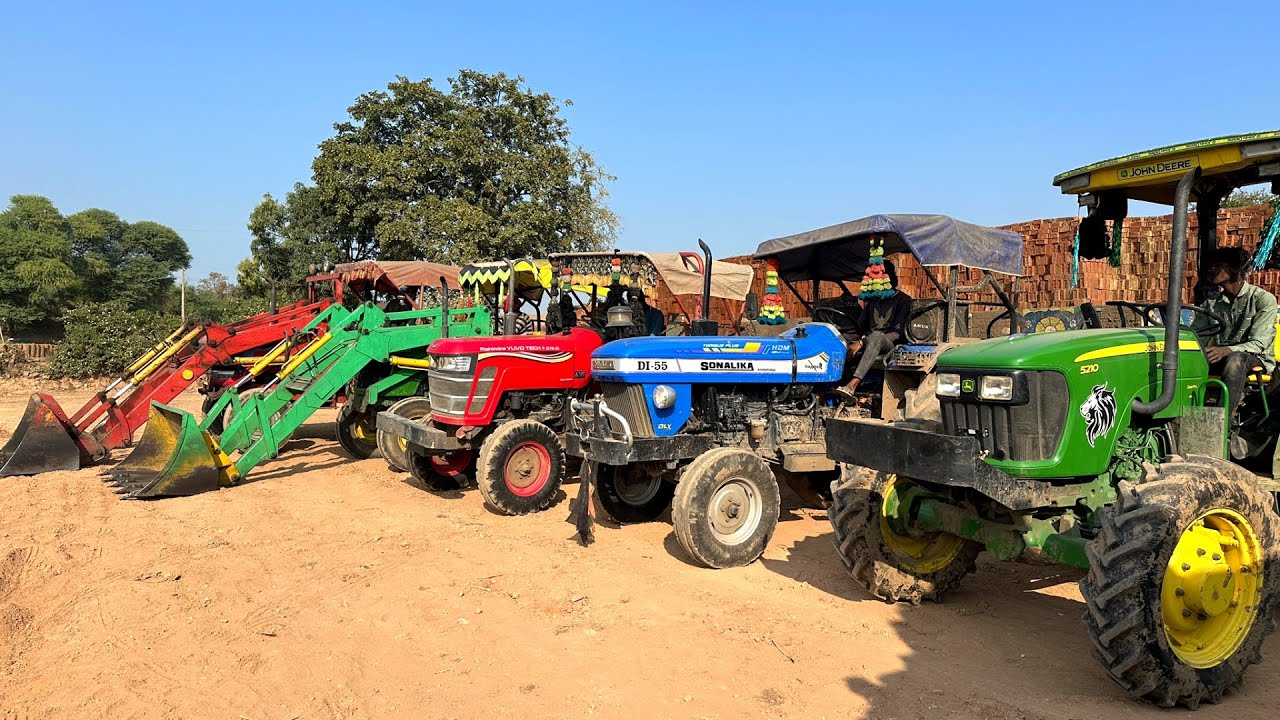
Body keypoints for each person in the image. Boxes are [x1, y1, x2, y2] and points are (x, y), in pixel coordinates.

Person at [1195, 248, 1277, 420]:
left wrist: (1227, 350)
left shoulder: (1262, 299)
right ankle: (1181, 419)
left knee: (1236, 360)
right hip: (1222, 357)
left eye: (1218, 265)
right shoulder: (1211, 303)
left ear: (1234, 269)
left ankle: (1222, 424)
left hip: (1255, 358)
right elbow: (1197, 337)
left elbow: (1259, 343)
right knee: (1187, 359)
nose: (1211, 269)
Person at [835, 258, 912, 402]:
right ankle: (829, 386)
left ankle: (852, 385)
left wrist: (862, 342)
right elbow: (860, 327)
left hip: (890, 345)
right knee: (837, 338)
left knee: (876, 336)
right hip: (869, 340)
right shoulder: (873, 300)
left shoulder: (903, 300)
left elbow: (896, 334)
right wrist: (840, 336)